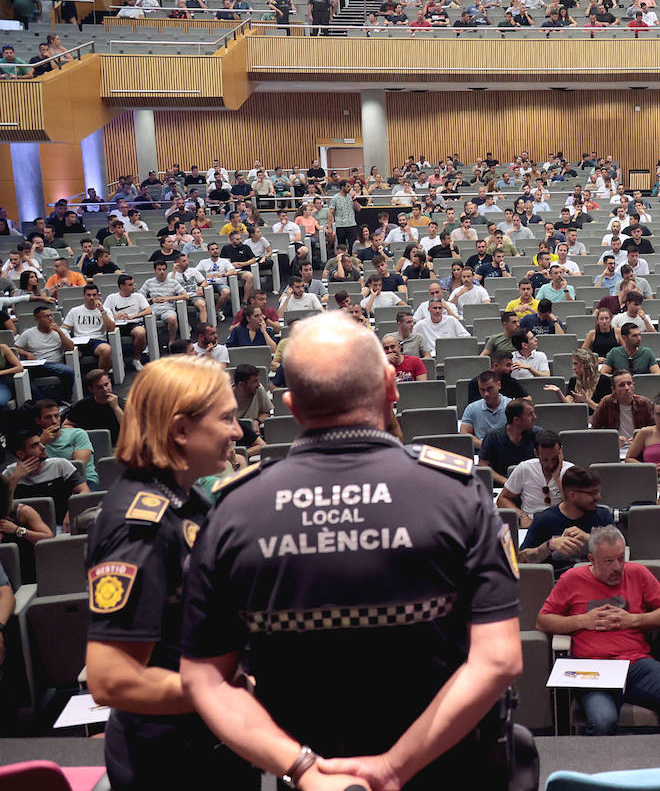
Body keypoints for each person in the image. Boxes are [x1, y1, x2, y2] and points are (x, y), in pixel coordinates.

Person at [179, 313, 523, 791]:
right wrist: (394, 767)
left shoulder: (232, 509)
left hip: (311, 777)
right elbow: (499, 660)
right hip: (450, 770)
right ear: (390, 386)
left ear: (292, 405)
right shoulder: (457, 493)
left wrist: (302, 768)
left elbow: (205, 678)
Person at [83, 356, 260, 791]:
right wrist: (232, 690)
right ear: (181, 430)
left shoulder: (189, 499)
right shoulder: (138, 526)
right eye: (227, 419)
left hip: (211, 742)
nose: (238, 432)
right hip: (172, 762)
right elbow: (113, 679)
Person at [537, 525, 660, 735]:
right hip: (594, 669)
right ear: (592, 559)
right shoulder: (572, 579)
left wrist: (633, 620)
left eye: (621, 558)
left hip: (636, 665)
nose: (618, 567)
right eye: (609, 561)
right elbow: (543, 621)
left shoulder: (638, 573)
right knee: (603, 722)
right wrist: (582, 621)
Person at [518, 465, 615, 577]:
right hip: (555, 585)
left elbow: (620, 555)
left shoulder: (603, 515)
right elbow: (520, 561)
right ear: (572, 495)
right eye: (592, 493)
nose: (598, 497)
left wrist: (591, 539)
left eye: (598, 491)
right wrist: (548, 546)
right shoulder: (544, 520)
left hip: (596, 583)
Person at [497, 429, 573, 527]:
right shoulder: (525, 468)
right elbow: (502, 499)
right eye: (545, 459)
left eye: (554, 459)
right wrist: (522, 516)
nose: (550, 464)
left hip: (561, 525)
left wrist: (557, 478)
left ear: (560, 451)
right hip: (531, 524)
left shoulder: (570, 471)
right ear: (536, 453)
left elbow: (574, 506)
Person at [14, 304, 76, 399]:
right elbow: (16, 348)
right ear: (37, 319)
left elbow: (70, 348)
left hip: (55, 365)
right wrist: (26, 353)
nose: (50, 318)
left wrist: (59, 331)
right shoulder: (28, 333)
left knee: (68, 371)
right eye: (46, 316)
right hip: (36, 365)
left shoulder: (61, 332)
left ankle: (65, 399)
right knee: (21, 378)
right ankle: (40, 401)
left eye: (51, 315)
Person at [478, 398, 539, 487]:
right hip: (501, 486)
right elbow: (483, 465)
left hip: (530, 486)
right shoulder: (493, 435)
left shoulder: (537, 434)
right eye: (530, 414)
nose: (535, 417)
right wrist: (508, 484)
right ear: (516, 420)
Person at [591, 369, 654, 449]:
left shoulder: (644, 403)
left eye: (629, 383)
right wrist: (612, 439)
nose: (627, 388)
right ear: (613, 389)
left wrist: (640, 439)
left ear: (633, 386)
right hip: (613, 448)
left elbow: (655, 431)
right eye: (622, 385)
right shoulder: (606, 403)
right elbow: (594, 431)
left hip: (640, 448)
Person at [67, 368, 125, 440]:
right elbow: (67, 425)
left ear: (110, 382)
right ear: (91, 389)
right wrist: (79, 435)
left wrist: (116, 408)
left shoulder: (122, 404)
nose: (105, 389)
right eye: (99, 387)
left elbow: (130, 428)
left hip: (117, 445)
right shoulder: (82, 406)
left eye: (106, 384)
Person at [460, 370, 511, 442]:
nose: (486, 394)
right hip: (481, 450)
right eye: (482, 390)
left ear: (499, 385)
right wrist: (485, 447)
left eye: (490, 388)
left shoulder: (511, 406)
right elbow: (464, 434)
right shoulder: (471, 408)